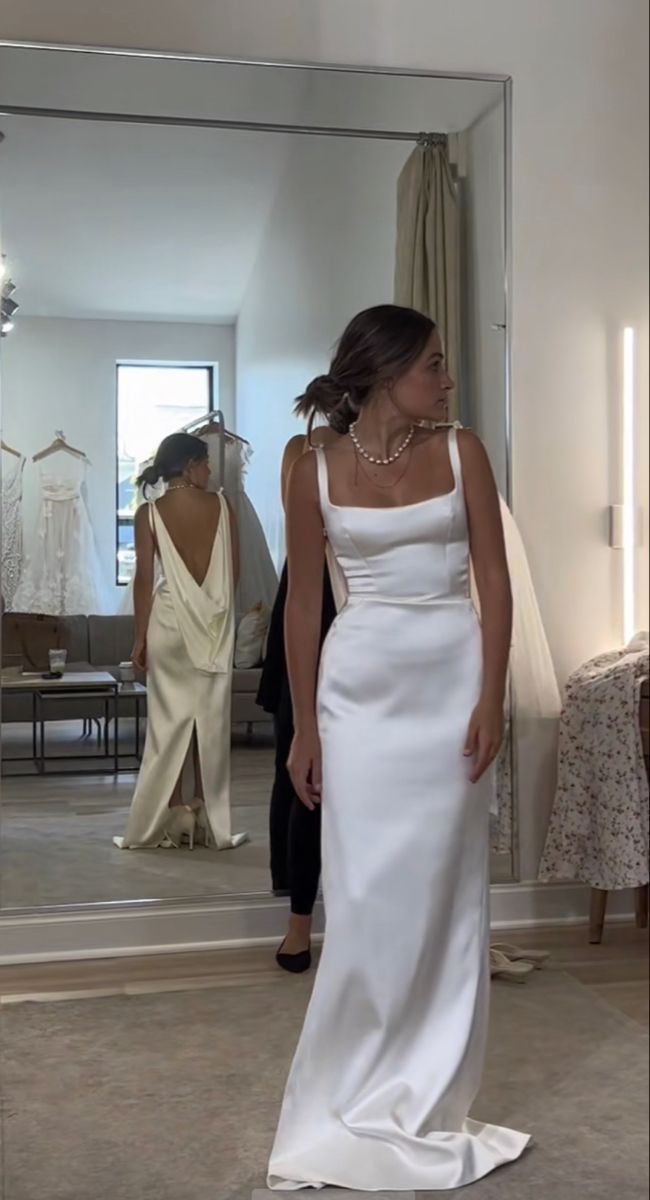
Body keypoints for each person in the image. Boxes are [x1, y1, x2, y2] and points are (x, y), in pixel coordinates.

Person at [267, 305, 530, 1190]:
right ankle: (348, 1091)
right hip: (358, 696)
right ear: (384, 373)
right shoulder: (310, 468)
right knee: (363, 895)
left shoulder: (462, 452)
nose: (447, 381)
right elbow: (304, 606)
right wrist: (305, 726)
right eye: (434, 366)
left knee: (446, 897)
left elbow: (493, 580)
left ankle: (429, 1097)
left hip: (450, 686)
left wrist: (491, 696)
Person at [114, 433, 247, 853]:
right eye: (205, 463)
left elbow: (144, 580)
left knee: (167, 724)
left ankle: (174, 812)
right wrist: (212, 611)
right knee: (211, 720)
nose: (210, 470)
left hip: (168, 624)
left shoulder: (149, 513)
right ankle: (207, 811)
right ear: (189, 465)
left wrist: (140, 636)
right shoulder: (222, 506)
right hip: (214, 626)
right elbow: (234, 573)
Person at [257, 426, 339, 973]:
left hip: (362, 598)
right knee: (300, 763)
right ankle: (296, 908)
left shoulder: (407, 446)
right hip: (314, 589)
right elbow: (300, 525)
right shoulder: (303, 450)